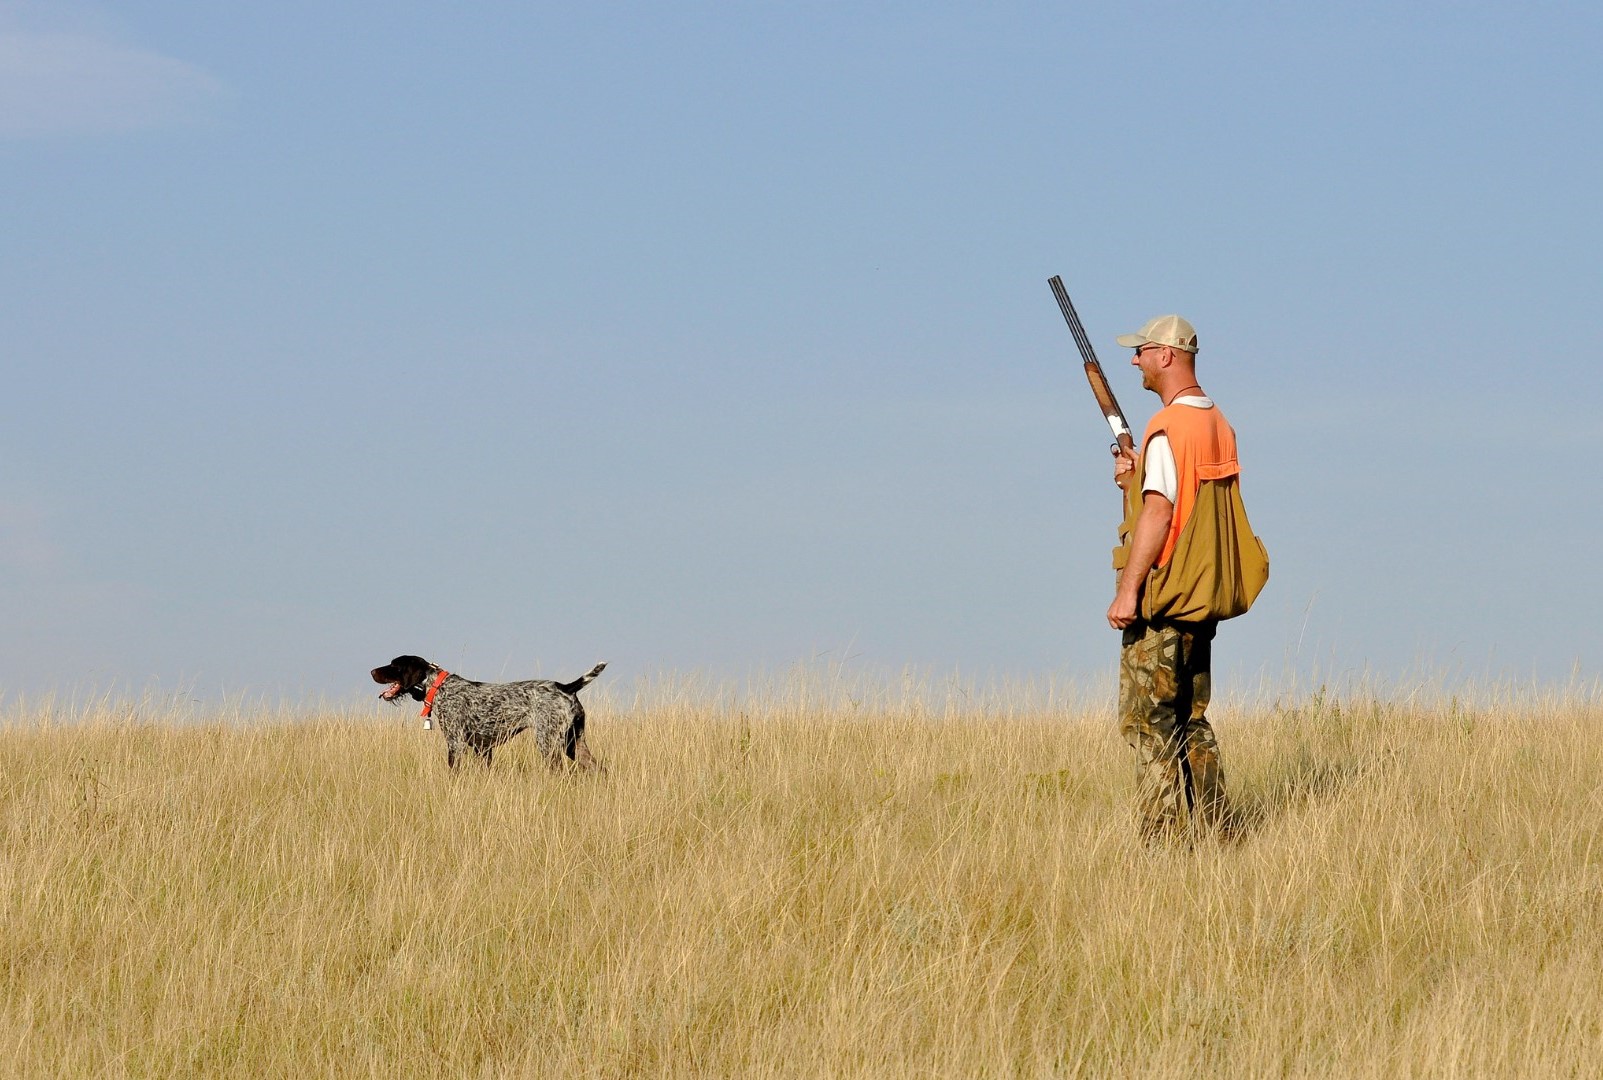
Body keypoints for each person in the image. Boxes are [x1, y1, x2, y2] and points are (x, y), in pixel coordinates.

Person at [1107, 313, 1265, 843]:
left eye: (1142, 351)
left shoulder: (1167, 427)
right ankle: (1220, 834)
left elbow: (1159, 514)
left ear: (1167, 355)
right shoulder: (1218, 423)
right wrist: (1133, 479)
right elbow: (1192, 507)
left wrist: (1128, 591)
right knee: (1192, 721)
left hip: (1165, 600)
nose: (1135, 361)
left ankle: (1163, 845)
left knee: (1148, 724)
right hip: (1203, 599)